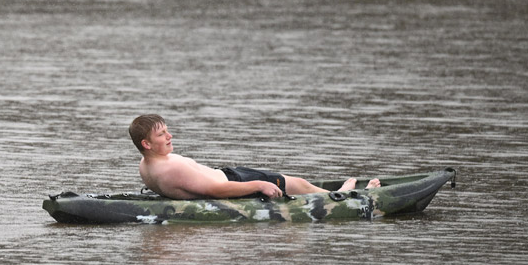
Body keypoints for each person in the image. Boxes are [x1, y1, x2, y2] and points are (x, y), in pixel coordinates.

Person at [128, 114, 380, 199]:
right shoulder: (171, 169)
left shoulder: (146, 164)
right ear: (146, 144)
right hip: (235, 182)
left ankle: (337, 192)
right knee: (299, 184)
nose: (170, 136)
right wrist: (260, 185)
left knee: (298, 183)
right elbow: (217, 190)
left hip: (228, 175)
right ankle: (348, 197)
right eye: (162, 135)